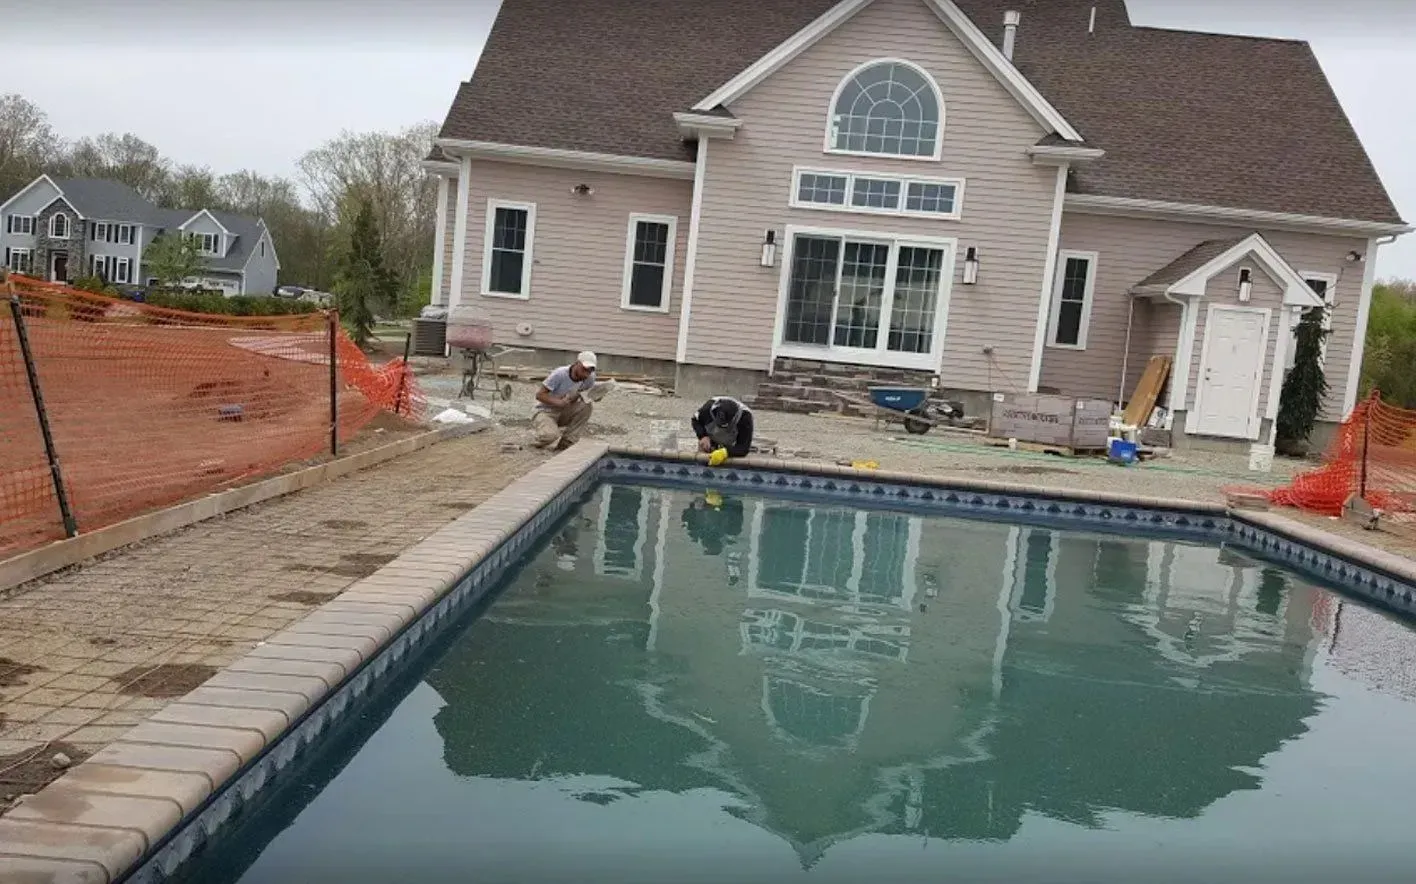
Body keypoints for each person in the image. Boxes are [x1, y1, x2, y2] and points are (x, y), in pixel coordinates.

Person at [533, 351, 598, 450]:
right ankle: (542, 437)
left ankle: (568, 441)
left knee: (586, 406)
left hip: (565, 410)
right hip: (545, 411)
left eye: (589, 371)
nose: (586, 374)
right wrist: (559, 402)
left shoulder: (590, 378)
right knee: (550, 437)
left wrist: (597, 395)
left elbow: (587, 395)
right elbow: (540, 395)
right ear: (577, 363)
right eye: (584, 369)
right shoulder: (559, 374)